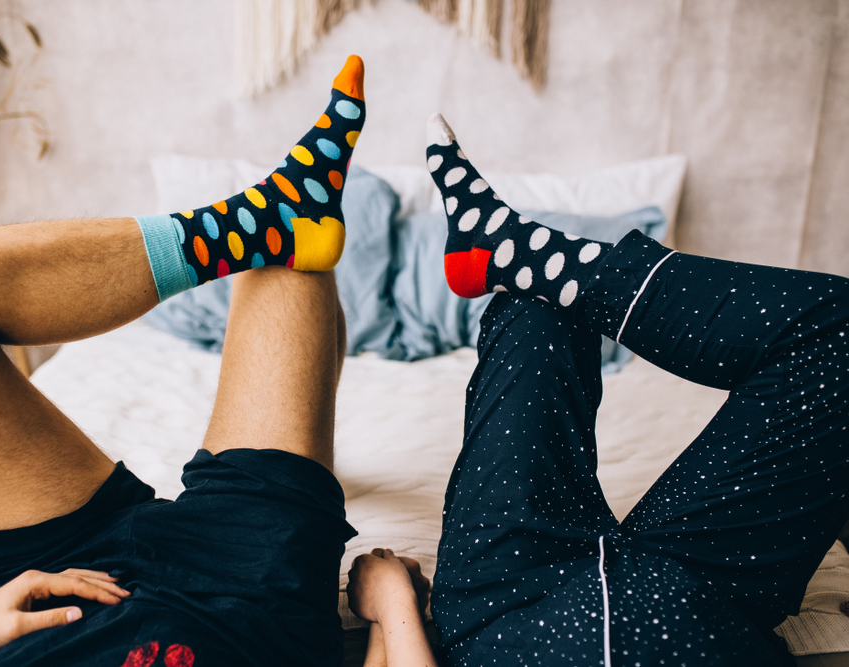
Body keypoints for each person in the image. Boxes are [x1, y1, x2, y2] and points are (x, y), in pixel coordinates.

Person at [0, 56, 366, 667]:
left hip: (45, 584)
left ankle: (247, 228)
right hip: (251, 593)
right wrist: (392, 609)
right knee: (295, 258)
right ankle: (267, 227)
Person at [346, 114, 849, 666]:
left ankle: (517, 256)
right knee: (839, 335)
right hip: (706, 603)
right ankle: (517, 253)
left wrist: (393, 606)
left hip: (512, 608)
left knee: (536, 309)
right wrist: (391, 599)